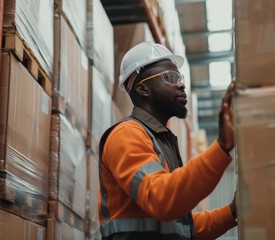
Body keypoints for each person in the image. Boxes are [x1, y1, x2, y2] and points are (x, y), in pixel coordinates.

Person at [98, 41, 237, 240]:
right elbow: (160, 199)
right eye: (170, 78)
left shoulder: (160, 140)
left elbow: (183, 229)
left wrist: (231, 212)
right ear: (143, 89)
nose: (181, 84)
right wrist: (221, 147)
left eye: (179, 77)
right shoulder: (126, 135)